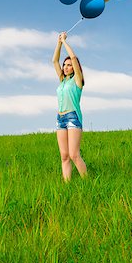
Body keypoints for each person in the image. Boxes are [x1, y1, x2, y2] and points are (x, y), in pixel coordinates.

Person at [52, 31, 88, 182]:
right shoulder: (62, 81)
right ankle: (67, 186)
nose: (66, 67)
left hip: (73, 117)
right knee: (64, 156)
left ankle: (87, 183)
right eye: (64, 65)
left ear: (74, 68)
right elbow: (54, 61)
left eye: (68, 66)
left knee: (74, 155)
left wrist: (65, 42)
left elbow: (73, 57)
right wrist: (58, 43)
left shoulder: (77, 80)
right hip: (60, 118)